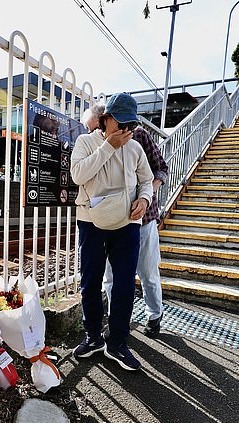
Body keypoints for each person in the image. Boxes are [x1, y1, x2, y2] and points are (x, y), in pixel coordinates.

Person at [70, 93, 154, 371]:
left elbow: (147, 180)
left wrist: (144, 200)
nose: (127, 130)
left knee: (125, 284)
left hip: (128, 222)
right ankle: (93, 337)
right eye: (122, 122)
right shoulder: (86, 141)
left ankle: (117, 342)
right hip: (91, 221)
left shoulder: (136, 148)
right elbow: (78, 175)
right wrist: (108, 146)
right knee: (90, 281)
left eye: (131, 124)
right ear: (106, 119)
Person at [83, 103, 169, 339]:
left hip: (144, 219)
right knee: (110, 276)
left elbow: (161, 168)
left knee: (148, 272)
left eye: (93, 127)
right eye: (90, 130)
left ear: (105, 119)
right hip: (114, 222)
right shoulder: (96, 143)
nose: (93, 134)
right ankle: (117, 319)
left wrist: (145, 198)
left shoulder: (139, 135)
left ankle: (154, 315)